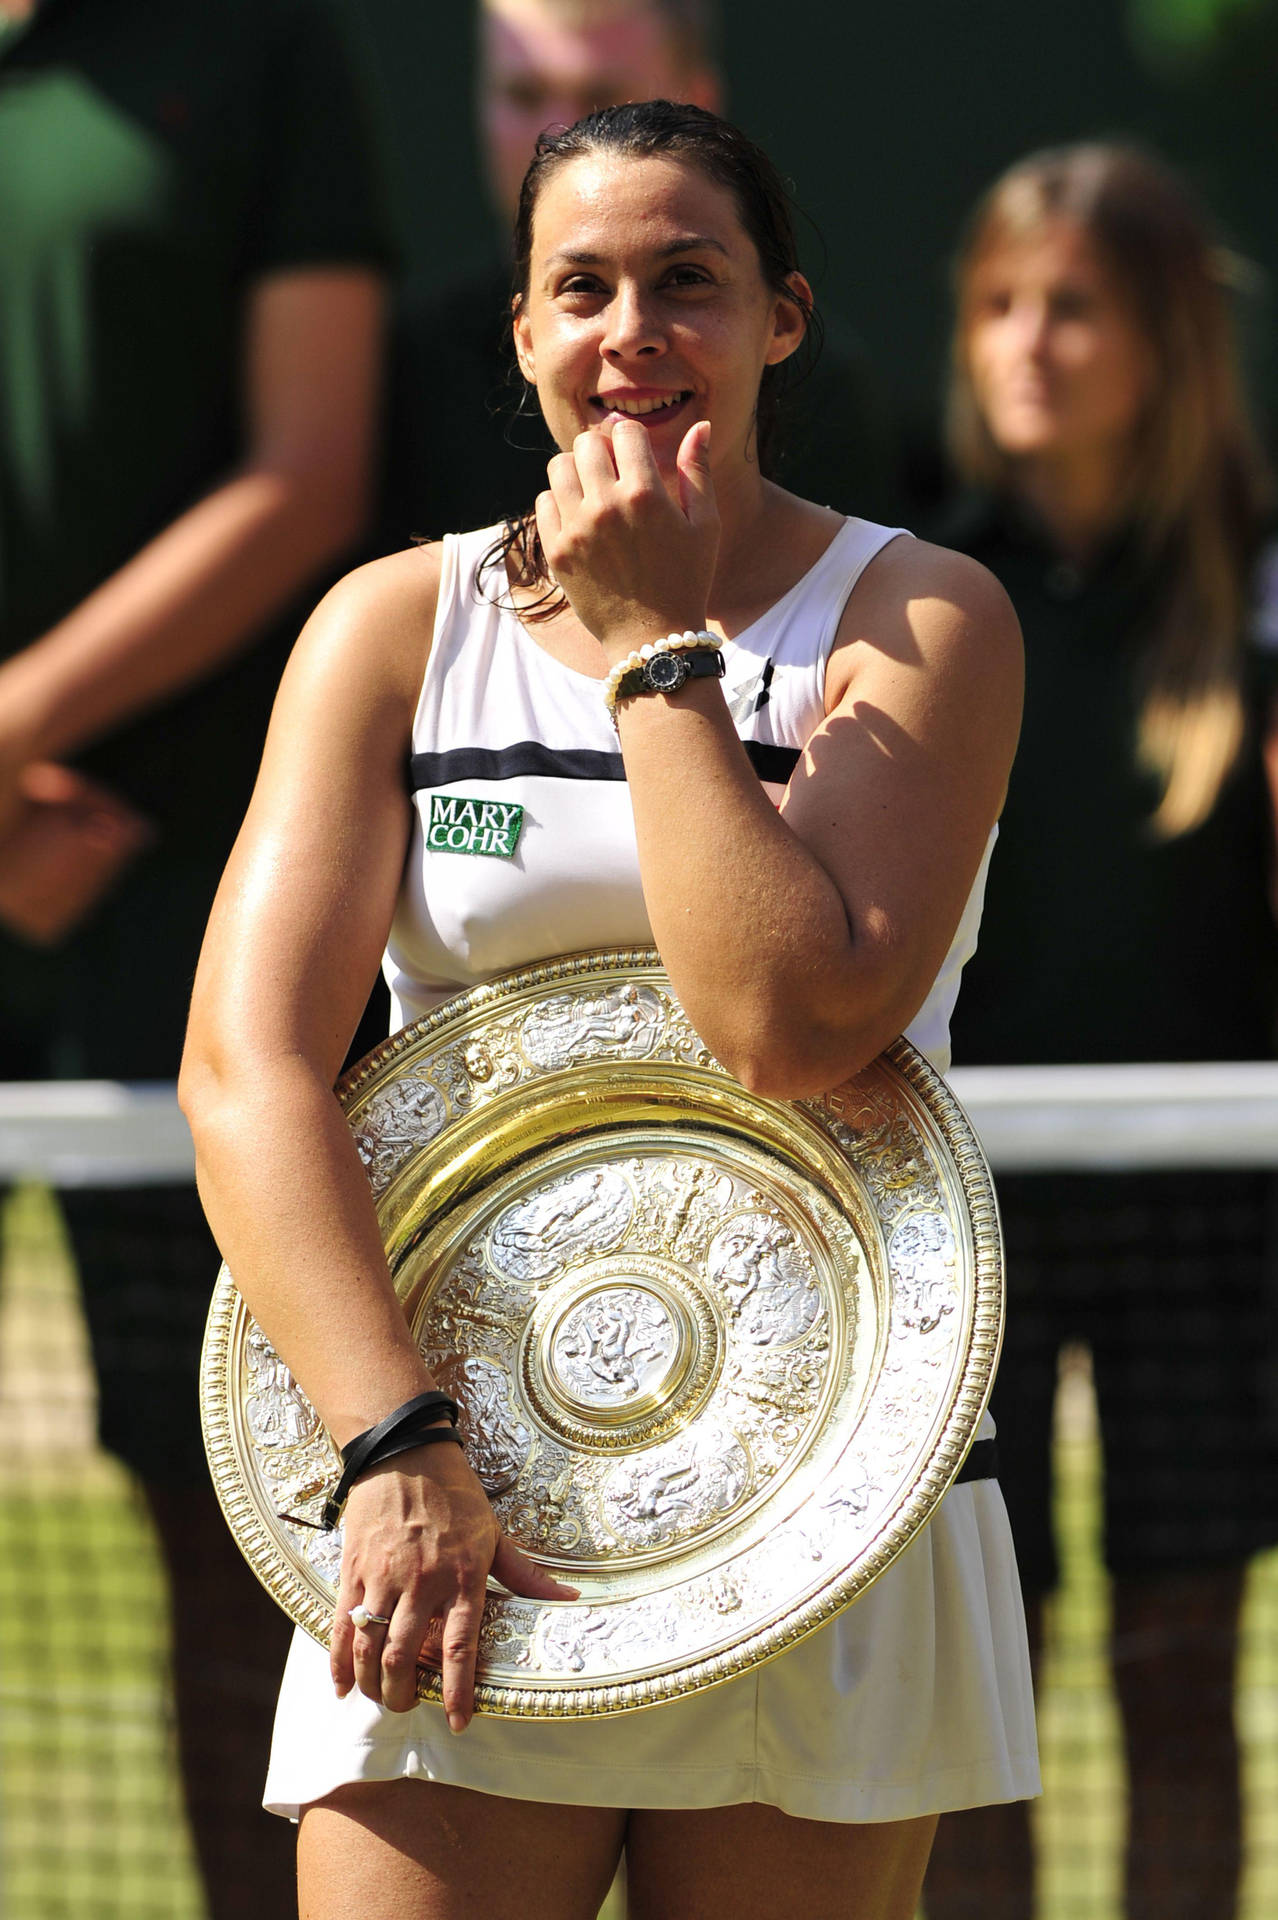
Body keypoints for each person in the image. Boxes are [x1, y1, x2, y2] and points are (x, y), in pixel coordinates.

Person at [181, 101, 1037, 1919]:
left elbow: (789, 1026)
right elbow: (245, 1069)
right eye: (579, 286)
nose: (629, 329)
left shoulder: (920, 617)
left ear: (781, 320)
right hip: (444, 1510)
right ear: (517, 331)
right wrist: (391, 1444)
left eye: (686, 281)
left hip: (824, 1487)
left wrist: (656, 654)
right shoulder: (386, 631)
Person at [0, 0, 394, 1908]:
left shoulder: (255, 52)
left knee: (232, 1512)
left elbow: (304, 471)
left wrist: (9, 742)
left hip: (157, 883)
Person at [921, 144, 1278, 1920]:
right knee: (974, 1686)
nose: (1026, 345)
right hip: (956, 1205)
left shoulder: (1252, 588)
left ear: (1162, 343)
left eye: (1072, 307)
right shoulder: (909, 581)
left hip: (1209, 1215)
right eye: (996, 306)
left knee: (1173, 1668)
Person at [383, 0, 902, 549]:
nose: (557, 135)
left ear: (783, 324)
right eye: (523, 94)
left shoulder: (822, 390)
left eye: (603, 103)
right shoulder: (399, 364)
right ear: (524, 338)